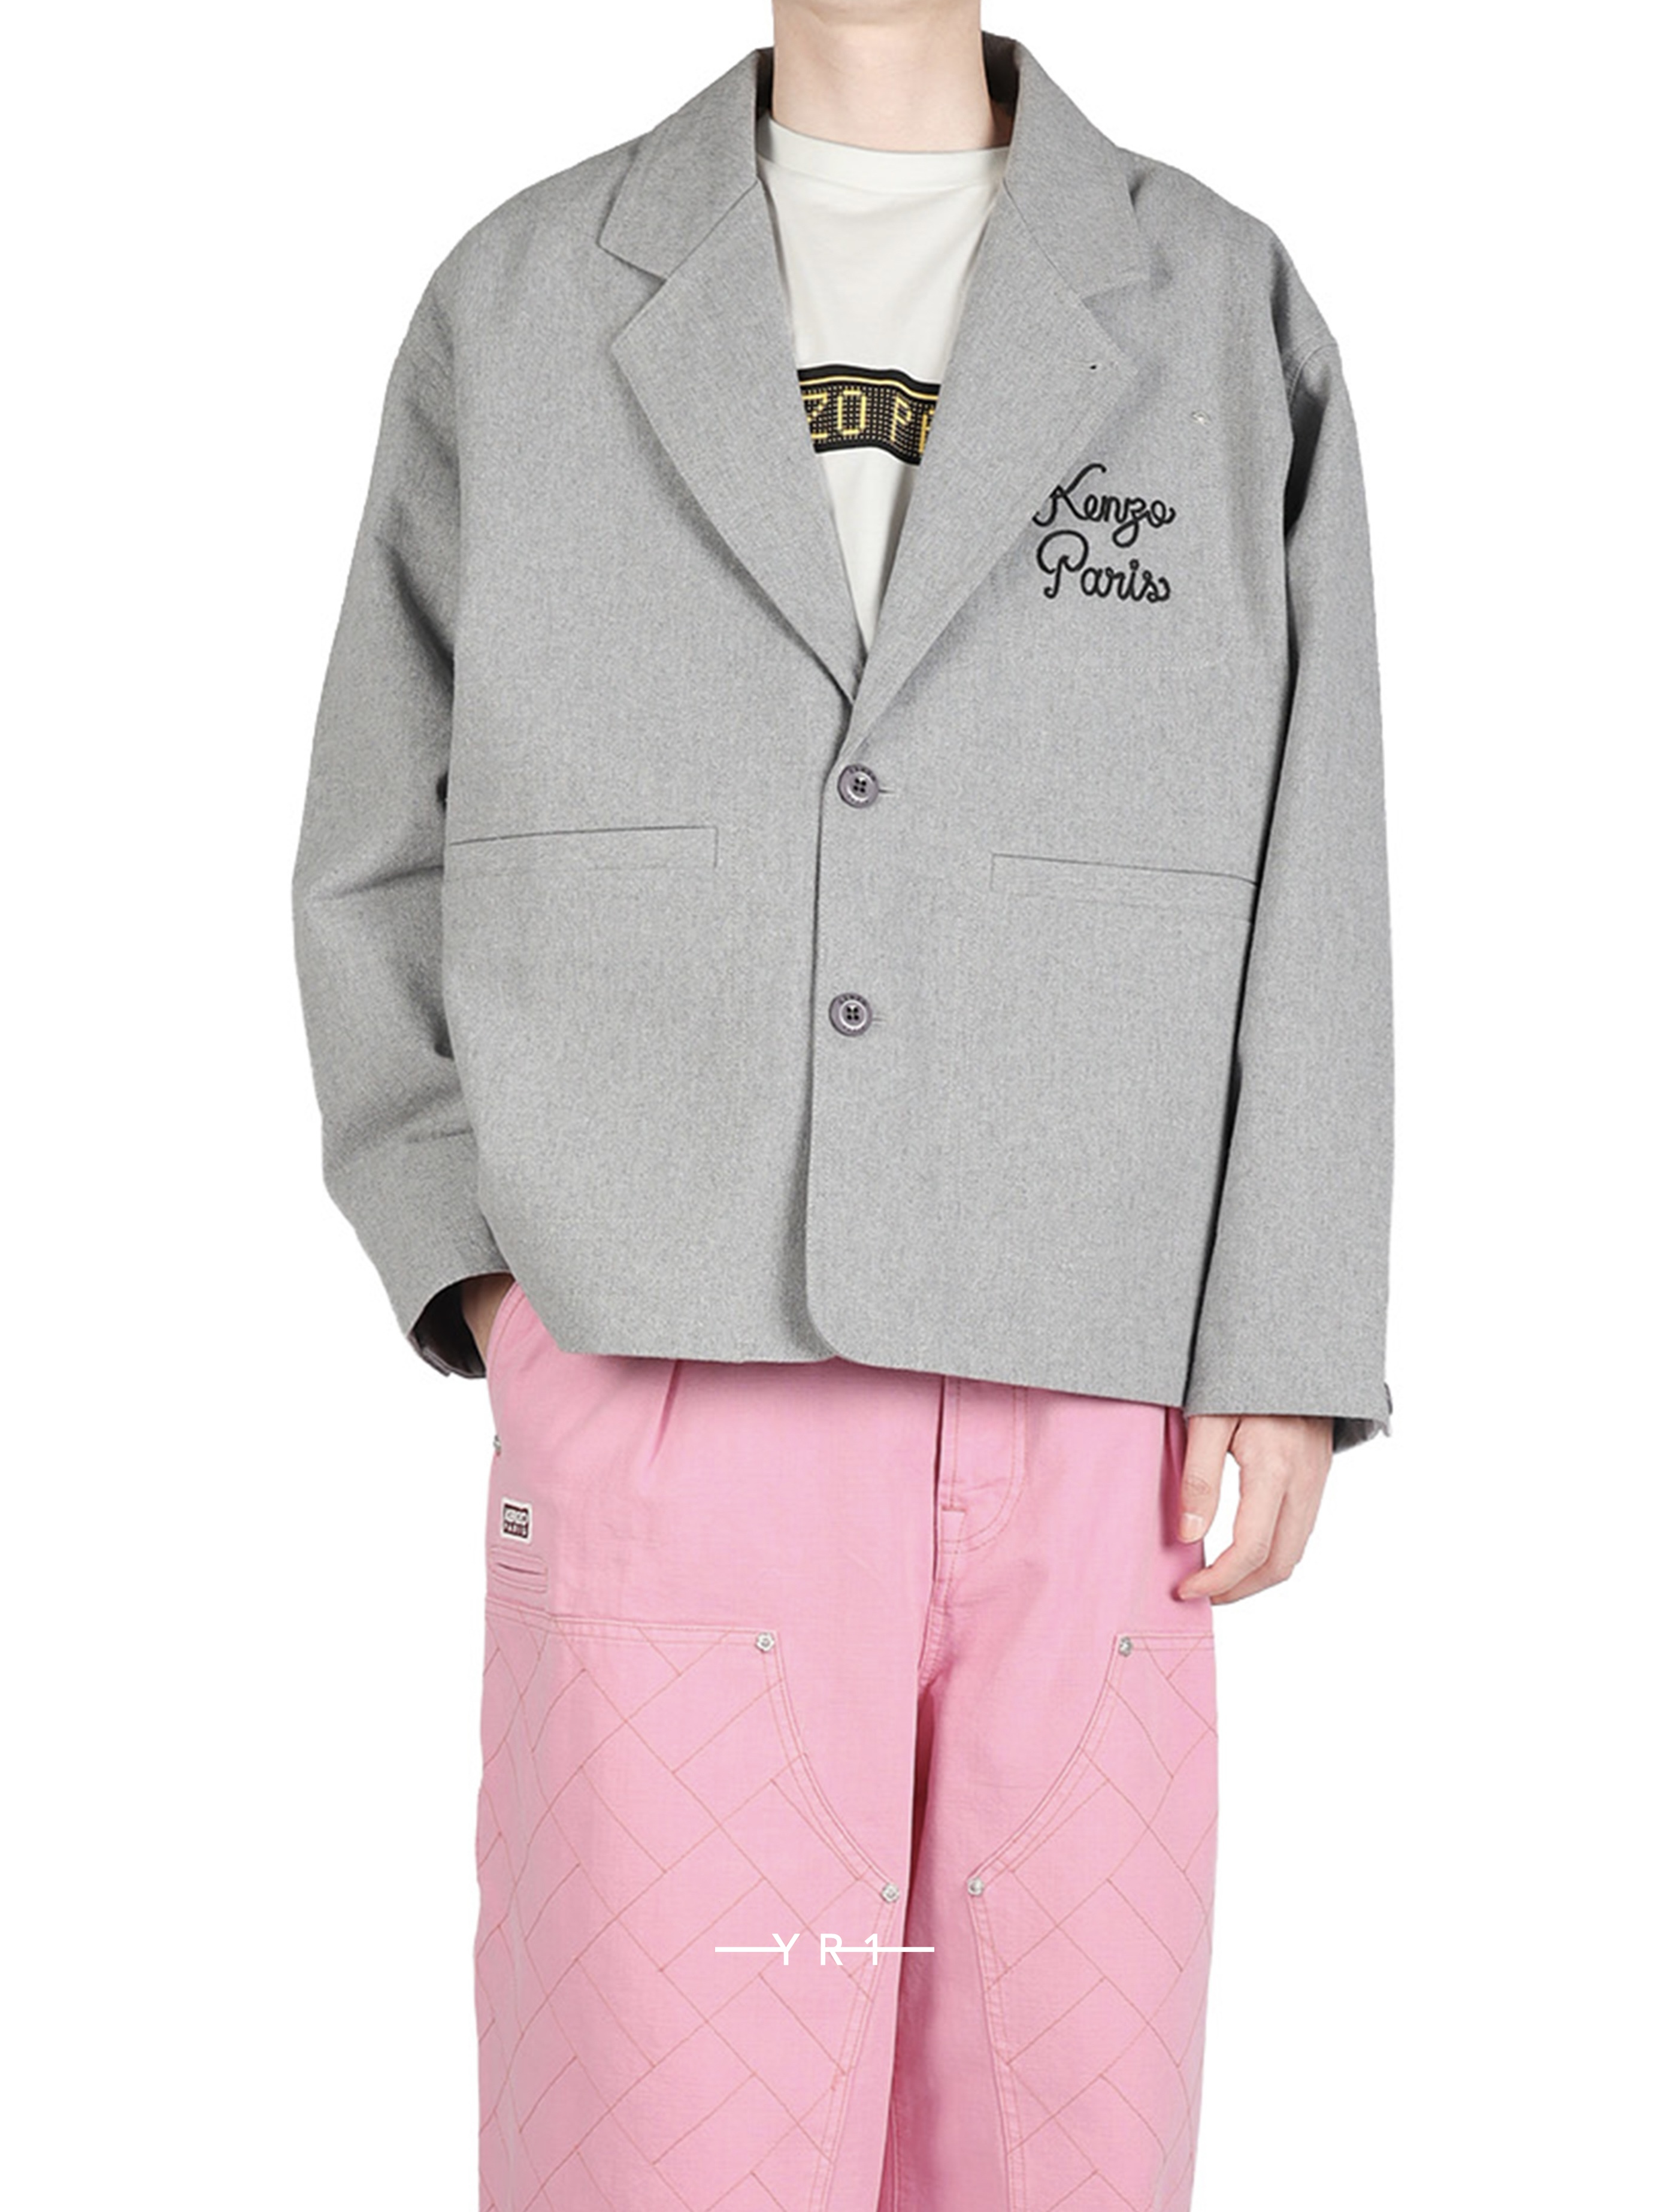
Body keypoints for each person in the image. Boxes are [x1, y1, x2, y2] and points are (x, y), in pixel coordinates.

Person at [290, 7, 1394, 2207]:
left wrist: (1285, 1336)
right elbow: (372, 838)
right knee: (665, 2136)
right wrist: (483, 1267)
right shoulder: (524, 297)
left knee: (1059, 2136)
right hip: (665, 1345)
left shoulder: (1213, 300)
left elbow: (1319, 843)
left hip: (1093, 1380)